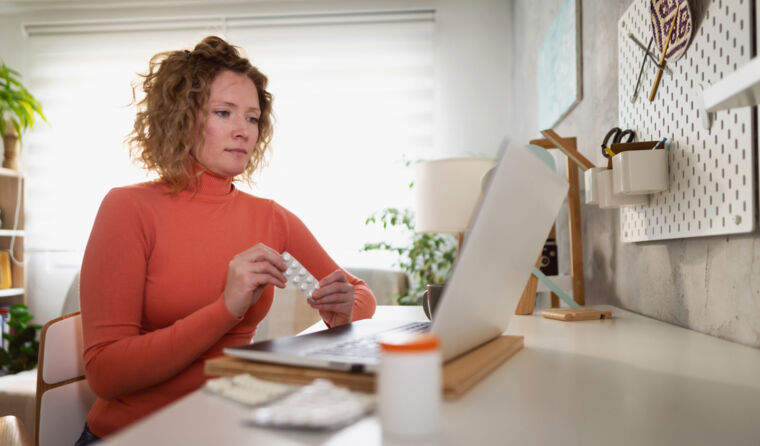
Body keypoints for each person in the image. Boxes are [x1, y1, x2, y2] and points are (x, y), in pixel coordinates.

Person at [76, 35, 376, 444]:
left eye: (252, 118)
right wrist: (226, 308)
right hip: (135, 434)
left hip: (229, 430)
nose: (243, 131)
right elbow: (105, 375)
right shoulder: (128, 208)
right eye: (224, 112)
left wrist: (341, 311)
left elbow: (361, 296)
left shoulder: (271, 216)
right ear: (181, 118)